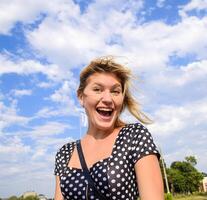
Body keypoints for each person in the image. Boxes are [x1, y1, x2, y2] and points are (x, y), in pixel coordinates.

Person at [54, 56, 164, 200]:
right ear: (81, 97)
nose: (107, 99)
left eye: (115, 91)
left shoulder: (134, 137)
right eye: (97, 89)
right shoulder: (65, 153)